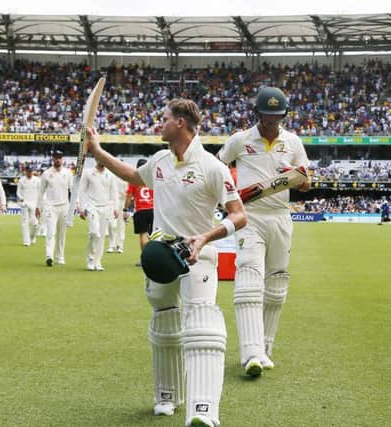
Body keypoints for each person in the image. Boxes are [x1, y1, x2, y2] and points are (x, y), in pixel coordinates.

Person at [85, 98, 247, 427]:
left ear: (181, 124)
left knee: (202, 326)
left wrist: (204, 238)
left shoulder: (211, 167)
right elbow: (131, 173)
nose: (160, 124)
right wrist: (97, 150)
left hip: (197, 254)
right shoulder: (159, 160)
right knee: (163, 321)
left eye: (165, 119)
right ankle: (167, 396)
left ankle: (203, 411)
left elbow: (239, 215)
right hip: (161, 253)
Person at [217, 87, 311, 378]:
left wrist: (292, 175)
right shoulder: (240, 140)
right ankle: (251, 353)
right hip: (250, 216)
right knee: (248, 278)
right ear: (257, 113)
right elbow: (216, 167)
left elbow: (306, 184)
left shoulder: (292, 141)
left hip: (280, 217)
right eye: (267, 117)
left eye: (278, 116)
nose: (272, 123)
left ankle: (266, 349)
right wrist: (228, 196)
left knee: (276, 286)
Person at [79, 161, 118, 271]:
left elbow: (113, 192)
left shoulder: (110, 175)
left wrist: (115, 208)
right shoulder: (88, 173)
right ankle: (90, 260)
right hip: (92, 206)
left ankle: (98, 262)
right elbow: (82, 190)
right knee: (94, 233)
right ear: (96, 159)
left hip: (105, 207)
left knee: (101, 237)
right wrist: (81, 207)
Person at [36, 150, 72, 267]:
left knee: (62, 233)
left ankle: (60, 257)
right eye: (56, 157)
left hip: (64, 206)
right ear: (52, 159)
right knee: (51, 232)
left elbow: (73, 190)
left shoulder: (68, 173)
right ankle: (49, 256)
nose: (58, 160)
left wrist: (76, 205)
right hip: (51, 206)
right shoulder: (46, 173)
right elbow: (41, 192)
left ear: (62, 159)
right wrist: (38, 206)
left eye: (60, 158)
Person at [124, 158, 154, 265]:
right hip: (153, 209)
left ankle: (144, 259)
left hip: (141, 209)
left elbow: (129, 196)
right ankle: (154, 258)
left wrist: (125, 209)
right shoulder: (152, 178)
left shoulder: (134, 179)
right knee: (154, 235)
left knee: (143, 235)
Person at [17, 165, 40, 247]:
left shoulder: (37, 180)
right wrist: (21, 198)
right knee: (24, 222)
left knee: (35, 224)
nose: (29, 173)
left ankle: (32, 237)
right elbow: (18, 192)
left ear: (33, 171)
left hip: (34, 203)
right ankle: (26, 241)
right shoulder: (21, 180)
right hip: (25, 202)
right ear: (25, 171)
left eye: (31, 171)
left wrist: (39, 204)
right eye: (28, 171)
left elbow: (41, 193)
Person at [107, 172, 128, 253]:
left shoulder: (125, 179)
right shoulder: (111, 178)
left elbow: (127, 194)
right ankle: (111, 245)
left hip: (121, 203)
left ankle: (120, 245)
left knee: (121, 224)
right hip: (111, 203)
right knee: (111, 224)